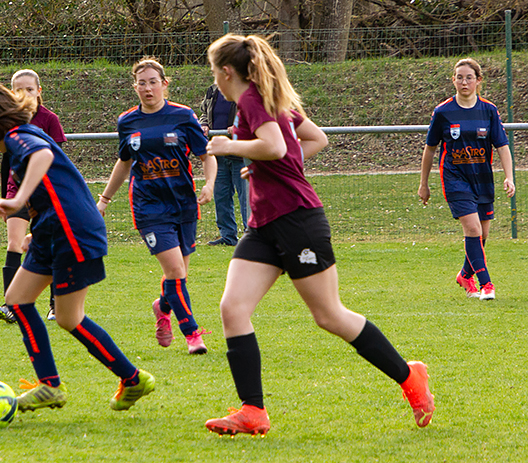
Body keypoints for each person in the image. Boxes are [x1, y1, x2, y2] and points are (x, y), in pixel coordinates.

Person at [202, 34, 435, 436]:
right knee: (233, 309)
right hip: (263, 225)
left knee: (328, 315)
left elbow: (275, 146)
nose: (214, 79)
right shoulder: (270, 100)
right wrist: (265, 162)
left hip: (297, 220)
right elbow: (312, 140)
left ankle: (409, 375)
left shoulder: (256, 100)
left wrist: (232, 148)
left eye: (213, 71)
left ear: (226, 71)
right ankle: (252, 410)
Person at [0, 82, 155, 413]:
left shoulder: (18, 137)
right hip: (52, 232)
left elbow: (43, 157)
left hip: (72, 232)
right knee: (17, 299)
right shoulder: (24, 134)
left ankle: (132, 378)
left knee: (69, 318)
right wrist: (35, 229)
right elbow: (54, 188)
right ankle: (49, 385)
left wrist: (19, 200)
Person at [97, 57, 217, 355]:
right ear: (134, 86)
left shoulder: (183, 116)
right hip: (149, 208)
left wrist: (209, 184)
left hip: (184, 204)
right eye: (142, 83)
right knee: (175, 271)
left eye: (153, 82)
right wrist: (104, 200)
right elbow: (124, 163)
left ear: (165, 84)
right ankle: (193, 335)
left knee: (178, 276)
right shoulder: (127, 121)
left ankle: (162, 307)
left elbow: (207, 155)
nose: (147, 88)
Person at [418, 58, 515, 301]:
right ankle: (487, 285)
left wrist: (509, 177)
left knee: (482, 236)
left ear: (478, 81)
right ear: (453, 80)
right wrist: (423, 184)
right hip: (454, 177)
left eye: (469, 77)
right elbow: (430, 149)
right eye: (459, 77)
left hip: (482, 178)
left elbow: (502, 146)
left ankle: (464, 275)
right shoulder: (443, 112)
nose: (464, 82)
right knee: (471, 229)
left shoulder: (489, 110)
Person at [0, 69, 68, 324]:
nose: (24, 94)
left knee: (51, 245)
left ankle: (55, 304)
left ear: (39, 91)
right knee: (14, 244)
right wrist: (7, 196)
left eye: (29, 89)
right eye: (18, 90)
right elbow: (6, 162)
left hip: (45, 195)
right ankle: (11, 305)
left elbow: (56, 161)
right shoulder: (8, 121)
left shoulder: (49, 119)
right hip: (17, 193)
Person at [199, 83, 248, 246]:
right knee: (221, 197)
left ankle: (251, 235)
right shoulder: (213, 90)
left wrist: (239, 126)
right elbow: (204, 112)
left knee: (246, 198)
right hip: (218, 154)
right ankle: (228, 236)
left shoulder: (245, 88)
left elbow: (252, 114)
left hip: (240, 154)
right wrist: (204, 124)